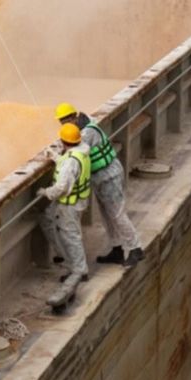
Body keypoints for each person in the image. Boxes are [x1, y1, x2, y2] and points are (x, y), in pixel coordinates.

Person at [56, 102, 144, 267]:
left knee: (117, 213)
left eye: (66, 120)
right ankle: (117, 248)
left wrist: (55, 155)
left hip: (109, 175)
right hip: (99, 177)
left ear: (74, 117)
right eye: (62, 121)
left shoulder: (87, 132)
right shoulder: (85, 122)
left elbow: (73, 150)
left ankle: (135, 248)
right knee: (106, 214)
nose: (64, 124)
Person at [37, 123, 91, 283]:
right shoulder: (81, 151)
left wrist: (46, 192)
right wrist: (54, 156)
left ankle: (80, 271)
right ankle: (72, 264)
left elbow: (61, 187)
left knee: (71, 237)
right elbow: (68, 164)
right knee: (53, 222)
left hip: (69, 204)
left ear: (63, 141)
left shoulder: (70, 161)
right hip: (77, 201)